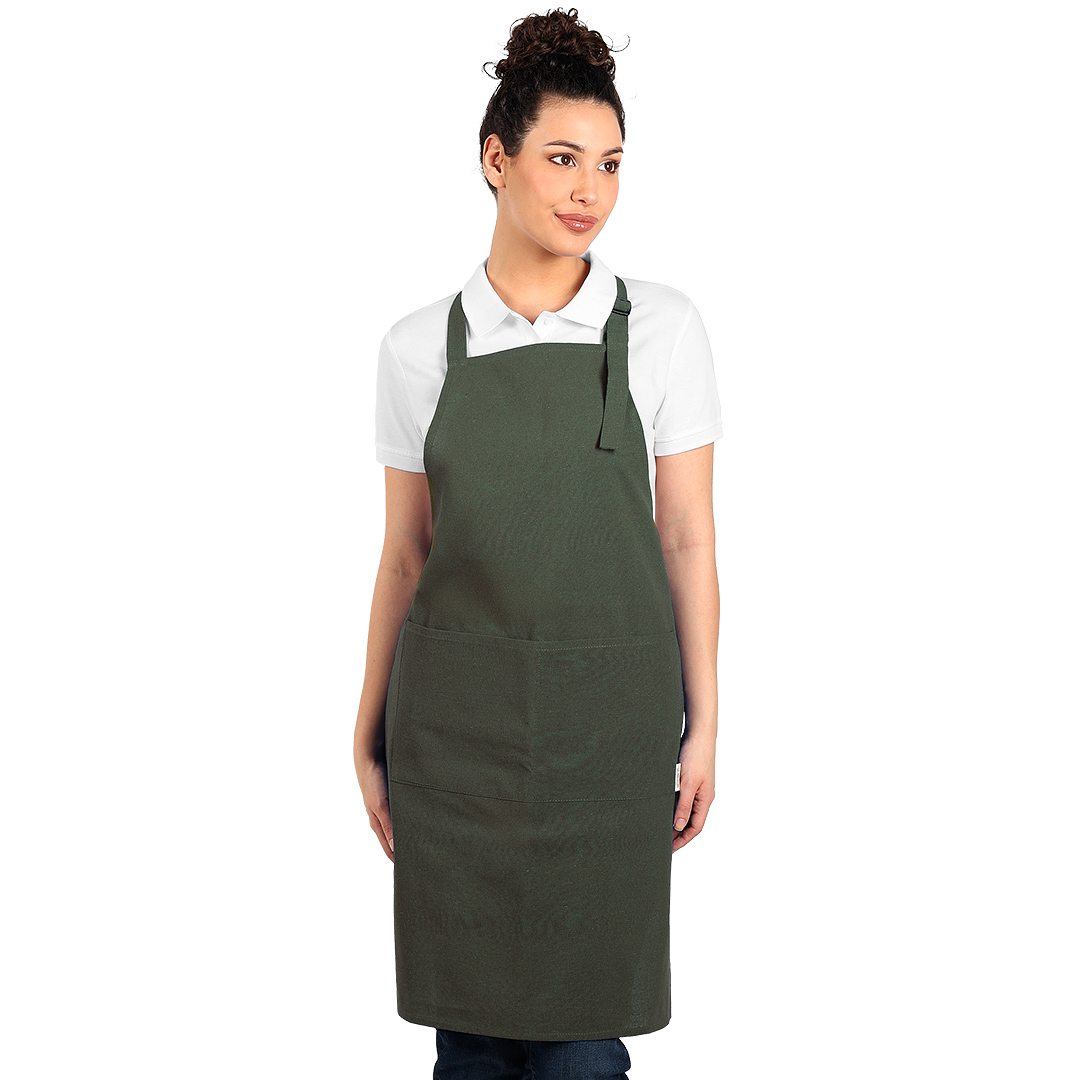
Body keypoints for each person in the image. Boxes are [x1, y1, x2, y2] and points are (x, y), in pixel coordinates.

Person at [353, 8, 721, 1078]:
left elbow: (688, 537)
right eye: (562, 158)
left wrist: (705, 721)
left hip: (608, 733)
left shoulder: (663, 329)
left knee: (581, 1044)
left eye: (610, 163)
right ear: (494, 159)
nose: (589, 190)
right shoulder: (417, 349)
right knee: (469, 1038)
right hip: (455, 734)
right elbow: (406, 554)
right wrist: (366, 728)